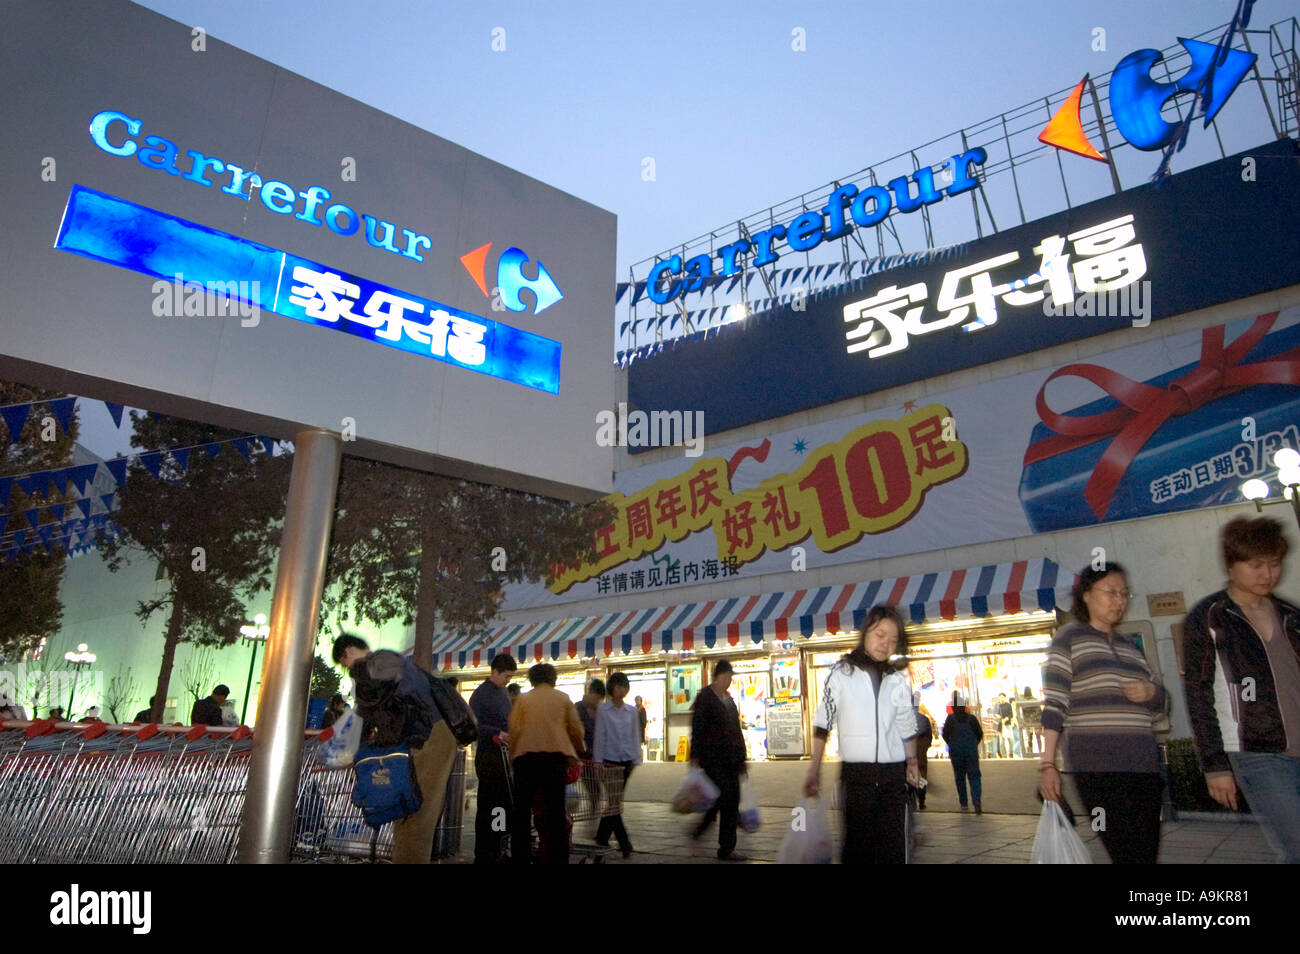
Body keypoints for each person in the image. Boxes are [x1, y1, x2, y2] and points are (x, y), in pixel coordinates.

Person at [1184, 516, 1300, 863]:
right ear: (1232, 565)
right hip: (1257, 751)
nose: (1268, 574)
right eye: (1256, 565)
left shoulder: (1291, 615)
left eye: (1275, 564)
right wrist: (1215, 764)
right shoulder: (1211, 617)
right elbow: (1197, 692)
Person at [1039, 561, 1166, 864]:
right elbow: (1055, 704)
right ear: (1085, 595)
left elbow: (1160, 711)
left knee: (1147, 853)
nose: (1119, 600)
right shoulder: (1068, 638)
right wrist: (1047, 765)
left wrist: (1153, 693)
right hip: (1097, 765)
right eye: (1111, 592)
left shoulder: (1131, 649)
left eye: (1124, 594)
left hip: (1144, 764)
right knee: (1125, 851)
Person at [806, 606, 919, 863]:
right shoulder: (842, 673)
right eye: (880, 635)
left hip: (893, 775)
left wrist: (912, 761)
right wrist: (814, 769)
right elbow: (824, 720)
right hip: (857, 776)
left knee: (893, 849)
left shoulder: (897, 677)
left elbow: (906, 722)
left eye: (892, 640)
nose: (885, 644)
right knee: (857, 848)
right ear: (866, 631)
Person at [332, 634, 457, 865]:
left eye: (343, 663)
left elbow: (370, 707)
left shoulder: (380, 661)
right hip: (429, 735)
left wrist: (353, 745)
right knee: (410, 809)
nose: (346, 669)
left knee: (416, 811)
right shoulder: (389, 660)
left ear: (348, 652)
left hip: (429, 736)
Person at [507, 663, 586, 865]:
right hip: (554, 759)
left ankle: (520, 857)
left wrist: (513, 757)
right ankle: (558, 858)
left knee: (522, 813)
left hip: (526, 759)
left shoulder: (523, 700)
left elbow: (514, 730)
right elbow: (576, 729)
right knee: (556, 813)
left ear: (532, 679)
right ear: (553, 678)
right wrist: (578, 750)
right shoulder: (563, 698)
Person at [689, 659, 749, 861]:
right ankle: (726, 848)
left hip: (732, 760)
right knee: (727, 800)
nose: (730, 680)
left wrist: (742, 756)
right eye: (729, 676)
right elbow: (697, 729)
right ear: (720, 676)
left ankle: (704, 830)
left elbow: (736, 730)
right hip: (713, 759)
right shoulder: (706, 697)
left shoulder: (728, 700)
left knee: (724, 799)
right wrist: (694, 757)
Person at [469, 653, 517, 864]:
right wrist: (497, 732)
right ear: (495, 672)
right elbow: (474, 726)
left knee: (503, 803)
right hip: (489, 755)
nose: (508, 680)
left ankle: (498, 847)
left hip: (503, 755)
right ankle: (485, 852)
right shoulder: (481, 695)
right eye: (506, 676)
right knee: (490, 804)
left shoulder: (502, 692)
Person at [592, 671, 641, 857]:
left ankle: (602, 836)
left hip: (626, 761)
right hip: (609, 761)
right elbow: (600, 736)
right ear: (611, 689)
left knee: (614, 801)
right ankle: (624, 842)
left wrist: (637, 759)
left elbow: (635, 736)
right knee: (614, 802)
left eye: (624, 686)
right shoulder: (603, 710)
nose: (621, 690)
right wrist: (598, 762)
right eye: (617, 686)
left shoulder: (632, 711)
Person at [942, 693, 983, 813]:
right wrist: (974, 744)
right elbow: (979, 734)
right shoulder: (972, 718)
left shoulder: (950, 719)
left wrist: (951, 743)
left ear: (953, 707)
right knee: (974, 776)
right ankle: (976, 801)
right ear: (964, 705)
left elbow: (945, 734)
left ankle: (964, 803)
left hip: (956, 752)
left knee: (959, 777)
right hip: (971, 751)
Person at [913, 693, 934, 809]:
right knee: (922, 776)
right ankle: (922, 800)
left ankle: (912, 796)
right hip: (921, 755)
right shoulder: (924, 719)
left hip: (908, 756)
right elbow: (929, 737)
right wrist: (925, 748)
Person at [576, 678, 606, 756]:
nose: (597, 701)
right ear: (590, 692)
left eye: (600, 699)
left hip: (596, 756)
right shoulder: (576, 709)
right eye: (596, 697)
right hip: (578, 754)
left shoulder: (601, 711)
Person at [997, 692, 1020, 758]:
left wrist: (1007, 718)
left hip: (1008, 724)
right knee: (1002, 740)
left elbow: (1011, 714)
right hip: (1000, 725)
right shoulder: (998, 705)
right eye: (1000, 697)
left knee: (1011, 739)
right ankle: (1003, 754)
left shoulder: (1008, 705)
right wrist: (1001, 719)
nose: (1001, 698)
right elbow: (996, 714)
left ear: (1005, 697)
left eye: (1003, 697)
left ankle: (1011, 752)